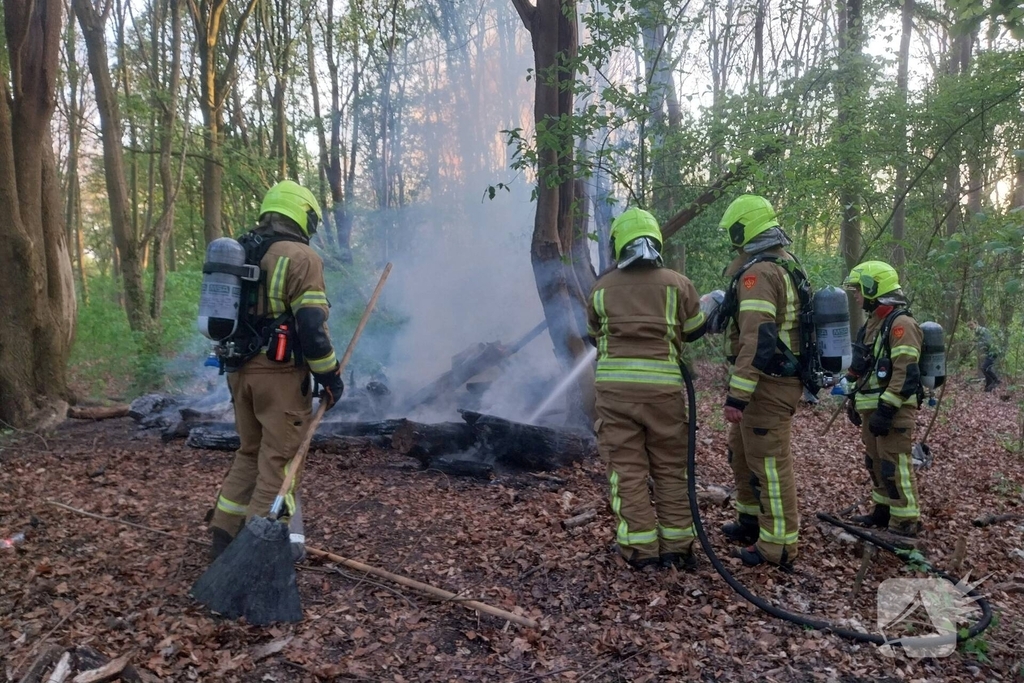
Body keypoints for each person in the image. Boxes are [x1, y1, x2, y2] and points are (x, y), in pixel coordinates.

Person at [207, 180, 345, 562]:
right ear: (301, 214)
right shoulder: (300, 257)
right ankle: (254, 556)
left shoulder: (243, 250)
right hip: (279, 378)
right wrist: (331, 377)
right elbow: (313, 331)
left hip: (239, 371)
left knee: (249, 453)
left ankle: (223, 535)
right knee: (279, 462)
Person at [587, 208, 707, 570]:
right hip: (664, 396)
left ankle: (640, 551)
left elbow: (595, 334)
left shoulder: (601, 288)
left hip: (615, 397)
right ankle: (677, 547)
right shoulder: (678, 283)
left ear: (617, 244)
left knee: (627, 472)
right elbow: (696, 328)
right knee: (671, 469)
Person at [717, 194, 804, 570]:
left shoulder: (761, 273)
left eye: (734, 231)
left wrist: (738, 394)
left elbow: (758, 337)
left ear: (745, 228)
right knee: (742, 452)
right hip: (768, 382)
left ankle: (778, 545)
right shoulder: (780, 264)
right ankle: (751, 520)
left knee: (769, 463)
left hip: (768, 384)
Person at [843, 261, 923, 537]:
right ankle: (882, 511)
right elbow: (862, 367)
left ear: (874, 288)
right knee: (874, 461)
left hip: (894, 411)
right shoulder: (873, 324)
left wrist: (887, 409)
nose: (856, 296)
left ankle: (905, 521)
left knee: (893, 463)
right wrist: (853, 398)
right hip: (871, 409)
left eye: (858, 290)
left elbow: (905, 370)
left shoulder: (901, 324)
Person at [968, 321, 1001, 392]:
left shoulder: (981, 330)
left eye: (971, 325)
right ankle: (989, 386)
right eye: (969, 326)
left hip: (993, 351)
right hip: (990, 352)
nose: (970, 327)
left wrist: (977, 343)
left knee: (984, 368)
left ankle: (995, 381)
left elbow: (987, 341)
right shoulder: (978, 332)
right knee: (986, 368)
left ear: (976, 324)